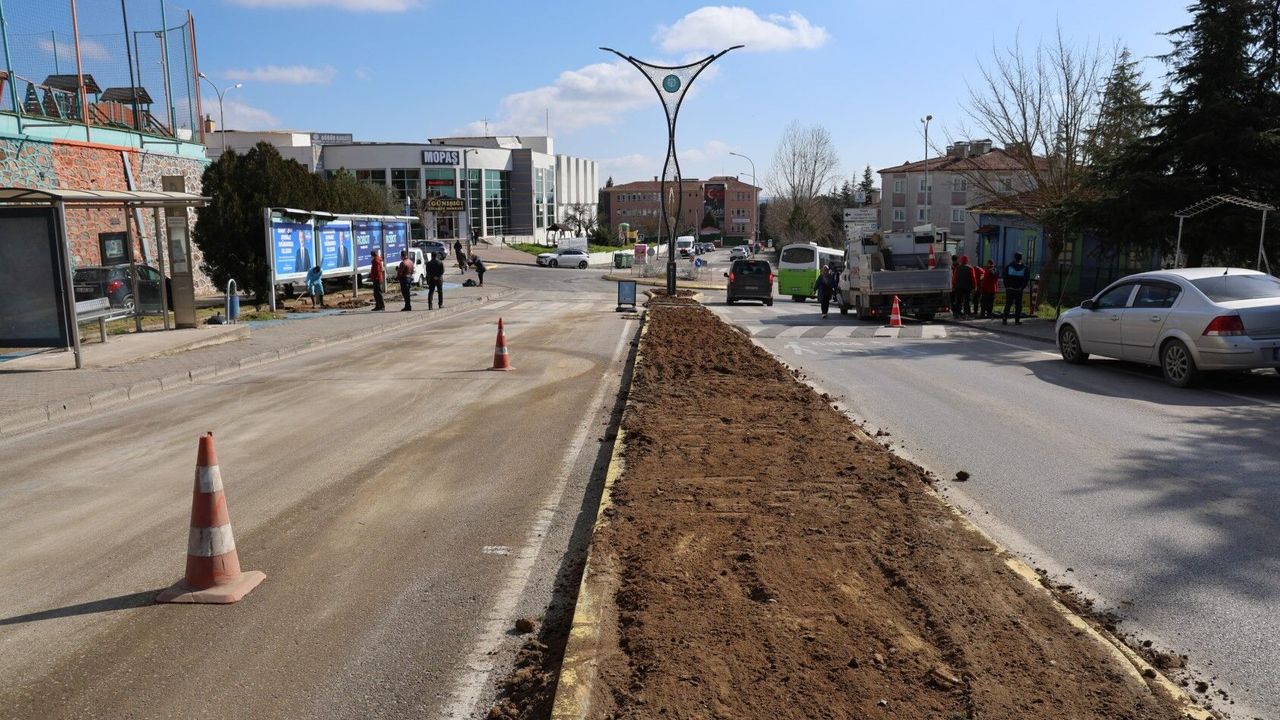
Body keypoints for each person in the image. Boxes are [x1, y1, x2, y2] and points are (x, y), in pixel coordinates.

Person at [1002, 252, 1030, 325]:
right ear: (1021, 258)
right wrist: (1022, 287)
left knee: (1008, 304)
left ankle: (1005, 319)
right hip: (1018, 290)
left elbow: (1005, 277)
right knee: (1018, 305)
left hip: (1010, 289)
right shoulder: (1024, 268)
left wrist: (1007, 287)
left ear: (1014, 258)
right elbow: (1026, 279)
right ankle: (1017, 320)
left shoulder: (1009, 266)